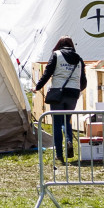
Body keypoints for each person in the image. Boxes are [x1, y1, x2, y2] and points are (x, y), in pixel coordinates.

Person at [34, 35, 87, 163]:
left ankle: (59, 154)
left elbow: (47, 73)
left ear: (59, 45)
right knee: (66, 121)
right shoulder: (79, 59)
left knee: (57, 124)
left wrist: (37, 87)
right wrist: (76, 90)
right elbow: (83, 81)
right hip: (73, 94)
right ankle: (68, 140)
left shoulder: (56, 55)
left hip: (58, 93)